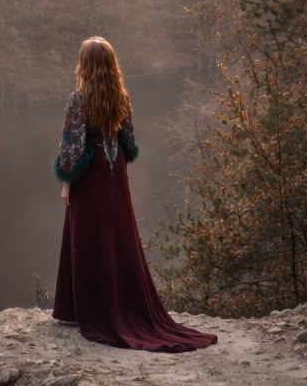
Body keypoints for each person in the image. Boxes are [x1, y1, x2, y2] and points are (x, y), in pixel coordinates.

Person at [51, 37, 217, 353]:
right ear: (111, 64)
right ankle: (115, 306)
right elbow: (128, 140)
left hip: (90, 178)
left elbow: (73, 147)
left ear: (85, 65)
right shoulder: (122, 97)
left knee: (87, 239)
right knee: (116, 238)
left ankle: (85, 311)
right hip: (115, 176)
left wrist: (67, 183)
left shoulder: (79, 99)